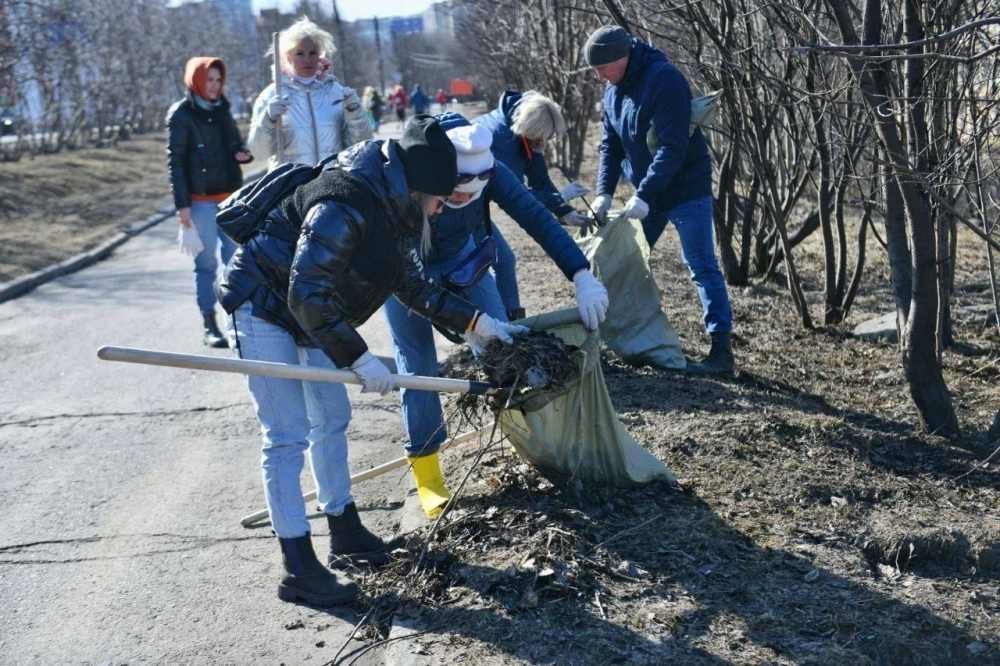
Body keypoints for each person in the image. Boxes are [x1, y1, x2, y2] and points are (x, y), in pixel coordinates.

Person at [216, 115, 526, 606]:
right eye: (441, 201)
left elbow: (414, 287)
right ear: (420, 187)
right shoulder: (345, 201)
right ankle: (297, 569)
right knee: (287, 433)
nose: (443, 212)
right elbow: (307, 294)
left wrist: (479, 324)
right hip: (263, 306)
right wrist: (360, 359)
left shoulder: (395, 206)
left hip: (308, 314)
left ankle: (345, 531)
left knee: (333, 418)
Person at [382, 113, 609, 520]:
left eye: (472, 196)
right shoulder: (403, 182)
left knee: (505, 346)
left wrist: (581, 274)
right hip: (401, 275)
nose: (463, 202)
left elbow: (536, 217)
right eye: (455, 196)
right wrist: (466, 322)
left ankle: (535, 443)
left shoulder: (491, 167)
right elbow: (412, 285)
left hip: (461, 260)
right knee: (417, 365)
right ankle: (428, 474)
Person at [584, 26, 734, 375]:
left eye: (602, 67)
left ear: (621, 57)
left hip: (685, 188)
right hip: (646, 193)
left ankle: (721, 352)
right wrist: (604, 192)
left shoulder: (664, 79)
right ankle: (615, 339)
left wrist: (645, 195)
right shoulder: (613, 91)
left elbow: (673, 147)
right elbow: (611, 146)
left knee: (700, 264)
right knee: (624, 259)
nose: (598, 75)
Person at [470, 90, 591, 320]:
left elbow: (540, 180)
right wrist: (561, 197)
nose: (546, 144)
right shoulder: (500, 141)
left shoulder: (527, 132)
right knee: (493, 264)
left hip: (476, 203)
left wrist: (565, 212)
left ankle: (513, 323)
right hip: (464, 208)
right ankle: (502, 327)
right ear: (533, 131)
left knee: (504, 261)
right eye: (545, 139)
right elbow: (518, 198)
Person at [166, 57, 253, 348]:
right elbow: (175, 162)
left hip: (229, 198)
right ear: (196, 81)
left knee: (236, 264)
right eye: (209, 80)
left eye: (218, 80)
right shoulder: (181, 114)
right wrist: (182, 205)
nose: (214, 86)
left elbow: (235, 144)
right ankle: (209, 325)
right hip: (199, 202)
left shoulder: (224, 109)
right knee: (205, 266)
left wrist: (243, 154)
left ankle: (239, 324)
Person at [248, 16, 371, 171]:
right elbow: (259, 153)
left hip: (331, 185)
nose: (307, 60)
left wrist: (355, 112)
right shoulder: (271, 95)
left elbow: (361, 146)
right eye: (300, 53)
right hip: (292, 188)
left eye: (313, 52)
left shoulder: (336, 92)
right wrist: (267, 119)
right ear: (288, 56)